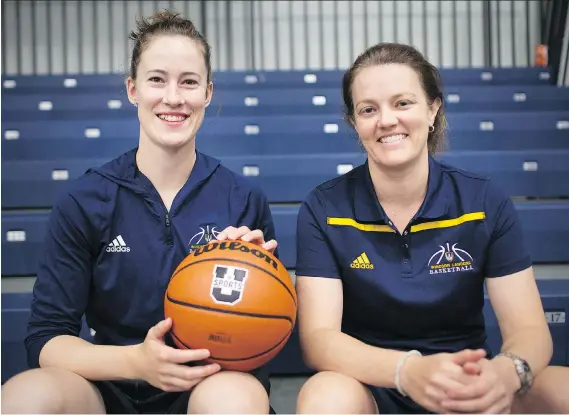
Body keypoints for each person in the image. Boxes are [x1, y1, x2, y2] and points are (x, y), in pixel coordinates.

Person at [1, 10, 278, 415]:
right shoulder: (84, 199)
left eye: (189, 82)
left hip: (209, 381)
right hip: (108, 383)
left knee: (234, 402)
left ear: (208, 93)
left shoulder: (243, 198)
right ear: (132, 89)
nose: (173, 97)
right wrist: (137, 362)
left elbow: (264, 335)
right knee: (24, 398)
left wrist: (253, 270)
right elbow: (45, 340)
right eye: (156, 79)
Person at [294, 42, 569, 414]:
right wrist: (407, 370)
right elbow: (319, 340)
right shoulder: (324, 207)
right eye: (368, 109)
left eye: (402, 103)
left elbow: (530, 330)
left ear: (433, 108)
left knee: (562, 389)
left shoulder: (483, 200)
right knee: (325, 396)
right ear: (354, 122)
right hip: (374, 383)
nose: (386, 120)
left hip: (468, 381)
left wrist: (505, 373)